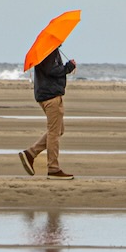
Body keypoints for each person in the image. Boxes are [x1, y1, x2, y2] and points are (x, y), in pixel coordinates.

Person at [18, 48, 76, 179]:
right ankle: (53, 168)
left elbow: (52, 70)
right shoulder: (47, 52)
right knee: (54, 133)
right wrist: (68, 67)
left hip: (48, 95)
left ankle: (30, 153)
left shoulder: (50, 52)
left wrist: (67, 67)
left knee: (58, 130)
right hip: (51, 97)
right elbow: (52, 71)